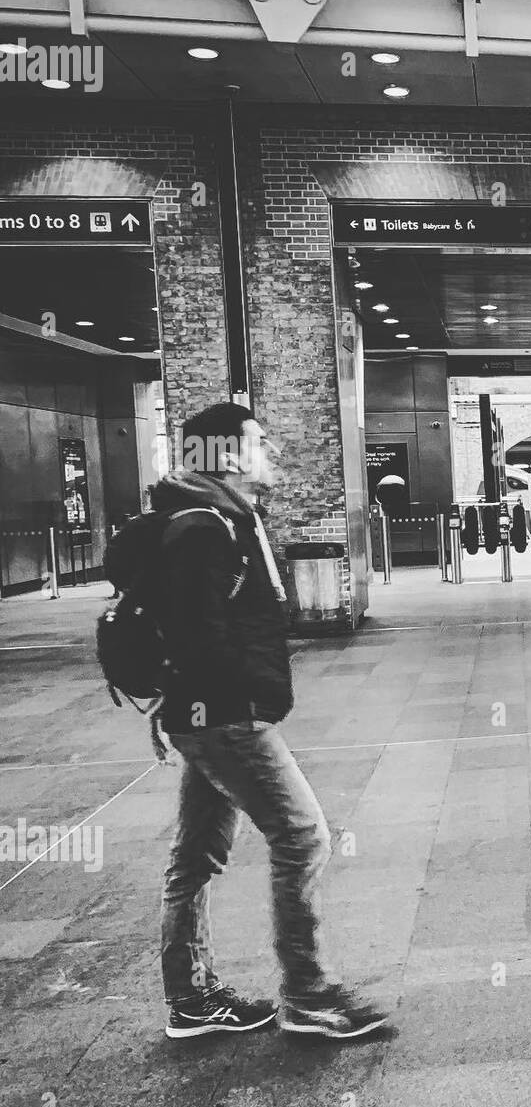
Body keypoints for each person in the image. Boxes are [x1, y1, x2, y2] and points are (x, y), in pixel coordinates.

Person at [151, 401, 387, 1041]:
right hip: (225, 718)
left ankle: (191, 997)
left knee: (195, 853)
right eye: (260, 442)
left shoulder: (220, 515)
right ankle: (309, 996)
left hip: (207, 715)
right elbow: (199, 635)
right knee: (303, 836)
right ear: (228, 456)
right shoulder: (205, 526)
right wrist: (248, 701)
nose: (271, 453)